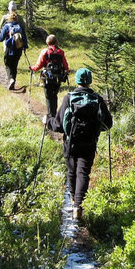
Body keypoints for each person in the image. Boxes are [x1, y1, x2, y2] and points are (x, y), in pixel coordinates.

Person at [46, 68, 112, 220]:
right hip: (89, 142)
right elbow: (108, 124)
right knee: (83, 172)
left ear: (76, 81)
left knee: (71, 170)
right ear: (89, 81)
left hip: (71, 142)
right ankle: (78, 206)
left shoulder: (69, 98)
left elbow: (58, 125)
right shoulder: (97, 99)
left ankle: (73, 198)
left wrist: (47, 121)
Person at [30, 34, 70, 118]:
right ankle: (54, 114)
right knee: (54, 95)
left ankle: (50, 115)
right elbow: (65, 65)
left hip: (48, 78)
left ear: (47, 42)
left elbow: (39, 65)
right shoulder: (61, 52)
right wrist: (67, 71)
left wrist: (32, 68)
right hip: (58, 78)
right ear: (56, 42)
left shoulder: (45, 51)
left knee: (48, 97)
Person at [0, 9, 29, 90]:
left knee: (8, 65)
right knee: (14, 65)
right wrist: (25, 47)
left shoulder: (6, 26)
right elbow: (24, 38)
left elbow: (1, 38)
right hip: (18, 49)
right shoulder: (19, 26)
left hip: (9, 49)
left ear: (8, 19)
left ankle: (11, 79)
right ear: (16, 19)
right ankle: (13, 80)